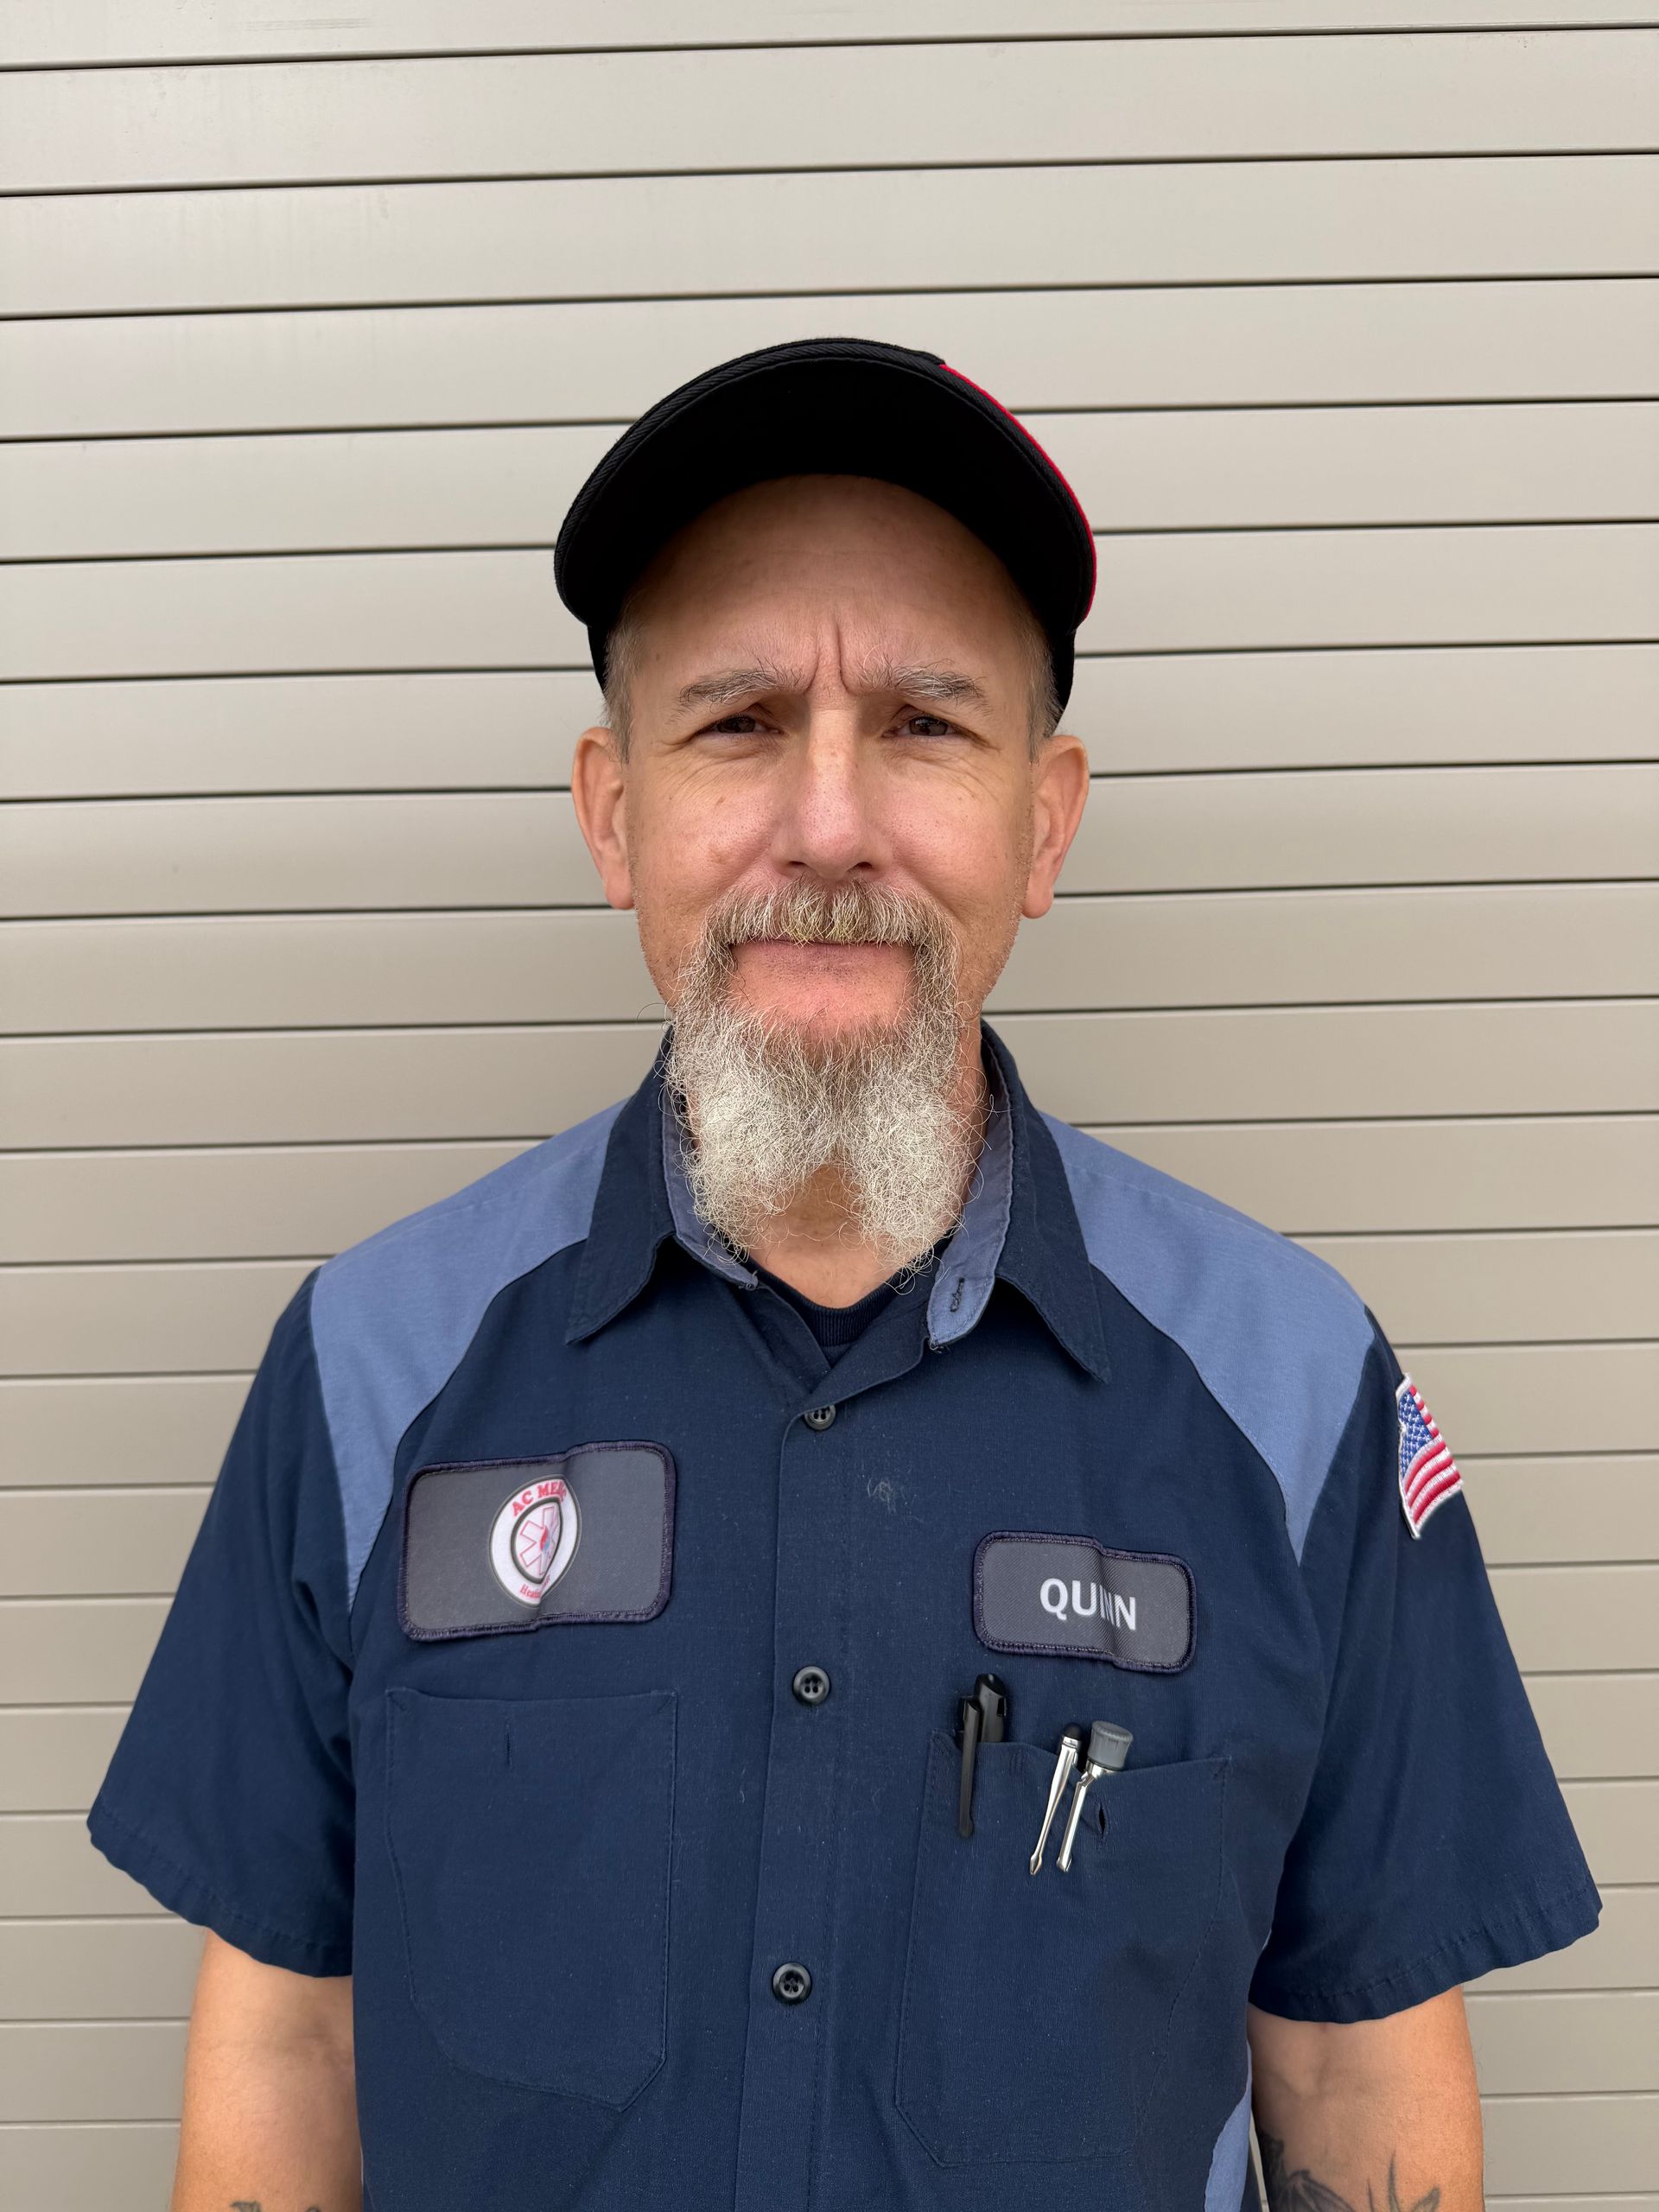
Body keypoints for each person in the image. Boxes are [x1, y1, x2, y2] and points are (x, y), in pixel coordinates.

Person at [89, 339, 1599, 2212]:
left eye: (924, 725)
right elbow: (290, 2041)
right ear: (613, 814)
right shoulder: (367, 1368)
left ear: (1044, 821)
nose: (825, 824)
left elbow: (1354, 2067)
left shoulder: (1295, 1391)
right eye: (735, 723)